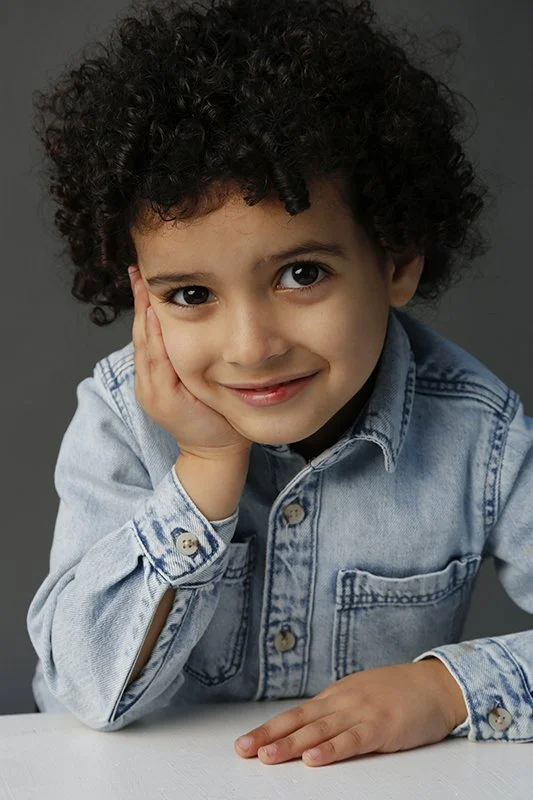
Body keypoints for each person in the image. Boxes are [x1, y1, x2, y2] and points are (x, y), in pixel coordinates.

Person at [26, 0, 533, 766]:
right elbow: (83, 689)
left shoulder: (479, 433)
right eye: (190, 295)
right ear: (140, 292)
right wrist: (203, 473)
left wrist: (445, 691)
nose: (251, 347)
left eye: (301, 274)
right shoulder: (120, 418)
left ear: (395, 261)